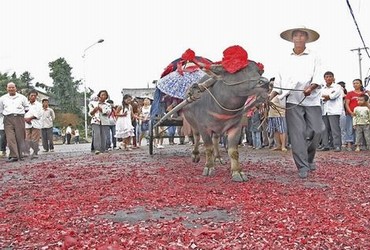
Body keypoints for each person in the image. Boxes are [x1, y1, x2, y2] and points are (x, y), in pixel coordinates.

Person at [270, 26, 324, 179]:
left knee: (317, 130)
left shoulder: (315, 56)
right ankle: (302, 165)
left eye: (302, 36)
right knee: (297, 134)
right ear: (292, 39)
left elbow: (318, 75)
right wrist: (271, 95)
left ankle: (309, 157)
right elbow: (278, 80)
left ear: (306, 39)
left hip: (311, 99)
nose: (299, 38)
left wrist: (312, 87)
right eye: (296, 36)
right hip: (292, 99)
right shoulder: (285, 58)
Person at [0, 82, 29, 162]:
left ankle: (20, 154)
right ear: (7, 88)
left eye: (13, 87)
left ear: (16, 88)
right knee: (10, 138)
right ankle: (14, 155)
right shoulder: (2, 98)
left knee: (20, 137)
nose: (11, 89)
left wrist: (21, 114)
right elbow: (1, 109)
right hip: (7, 119)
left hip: (19, 117)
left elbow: (27, 108)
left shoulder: (22, 97)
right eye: (9, 87)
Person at [319, 71, 344, 152]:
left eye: (330, 76)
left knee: (335, 129)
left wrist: (327, 97)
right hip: (324, 111)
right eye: (327, 77)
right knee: (324, 129)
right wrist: (326, 97)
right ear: (324, 78)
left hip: (334, 111)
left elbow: (332, 96)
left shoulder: (337, 87)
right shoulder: (322, 88)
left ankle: (337, 145)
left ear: (333, 78)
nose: (328, 78)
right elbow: (320, 98)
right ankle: (325, 145)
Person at [344, 79, 366, 151]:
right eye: (354, 83)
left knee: (359, 129)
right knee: (349, 129)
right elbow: (346, 104)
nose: (355, 84)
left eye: (357, 83)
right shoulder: (350, 93)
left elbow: (366, 103)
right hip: (350, 114)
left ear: (360, 84)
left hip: (361, 115)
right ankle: (349, 144)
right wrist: (350, 112)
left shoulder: (363, 94)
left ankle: (359, 145)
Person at [89, 90, 111, 154]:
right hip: (95, 120)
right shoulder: (93, 103)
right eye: (102, 95)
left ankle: (103, 149)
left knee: (103, 135)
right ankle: (97, 149)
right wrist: (94, 109)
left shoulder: (108, 105)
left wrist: (100, 108)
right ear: (99, 96)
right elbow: (90, 113)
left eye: (105, 95)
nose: (103, 96)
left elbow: (108, 112)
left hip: (104, 121)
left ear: (106, 97)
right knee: (97, 134)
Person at [24, 89, 43, 159]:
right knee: (27, 138)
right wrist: (26, 119)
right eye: (31, 95)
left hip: (36, 123)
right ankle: (26, 151)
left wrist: (30, 118)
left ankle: (35, 152)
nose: (33, 97)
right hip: (26, 123)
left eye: (35, 96)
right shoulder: (25, 104)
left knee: (35, 139)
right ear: (28, 96)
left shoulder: (39, 105)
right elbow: (23, 113)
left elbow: (39, 114)